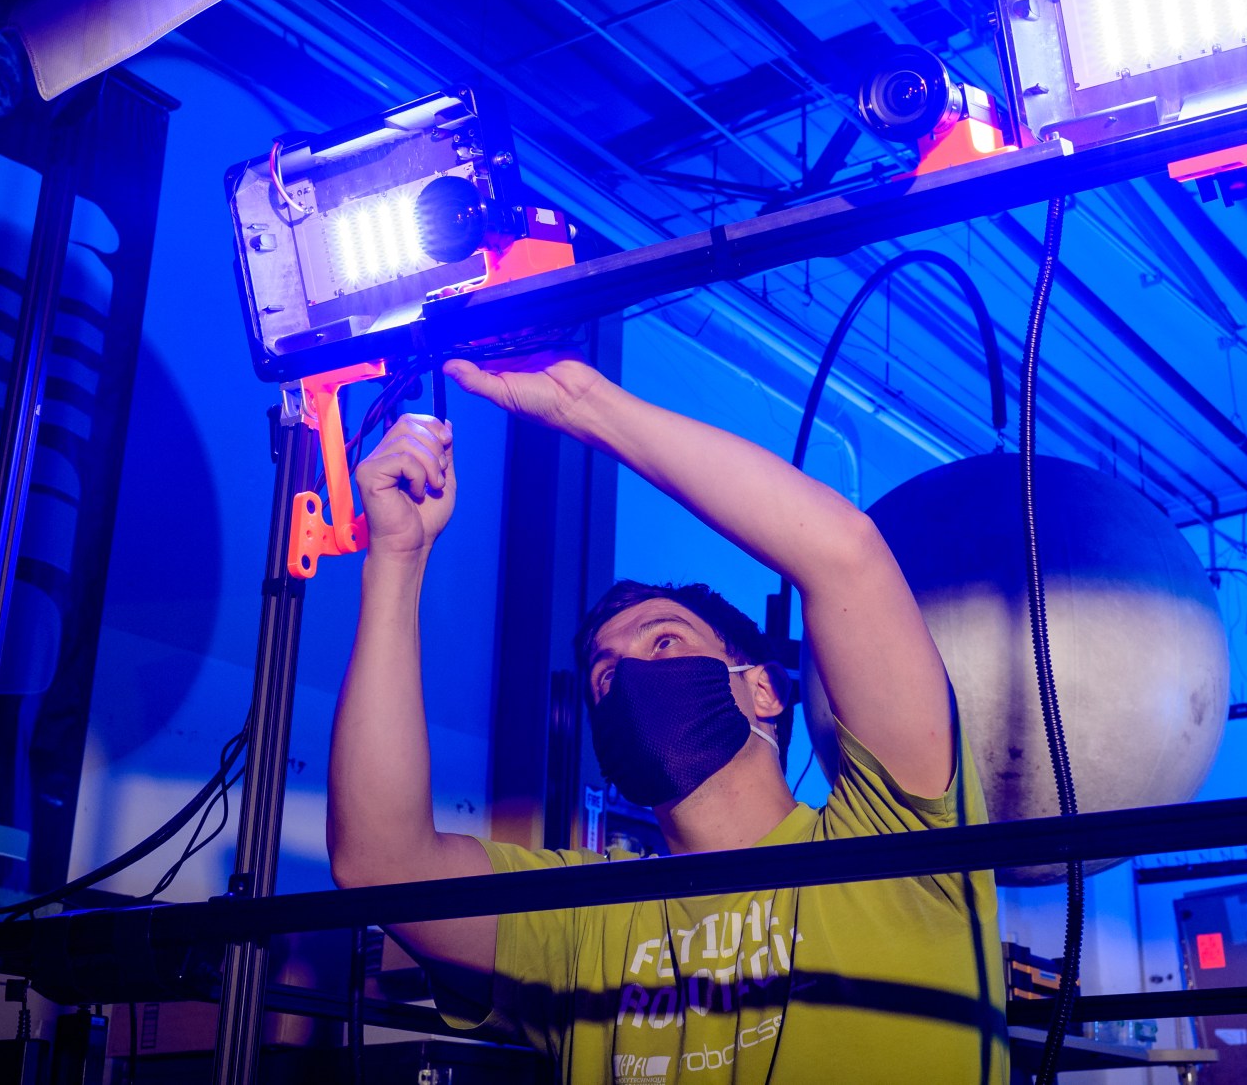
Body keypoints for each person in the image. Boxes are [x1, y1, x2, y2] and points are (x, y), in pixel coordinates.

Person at [327, 354, 1007, 1084]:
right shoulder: (584, 917)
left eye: (664, 640)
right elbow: (379, 862)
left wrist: (583, 404)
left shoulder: (892, 840)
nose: (632, 677)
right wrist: (396, 558)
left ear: (766, 692)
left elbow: (843, 555)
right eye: (606, 674)